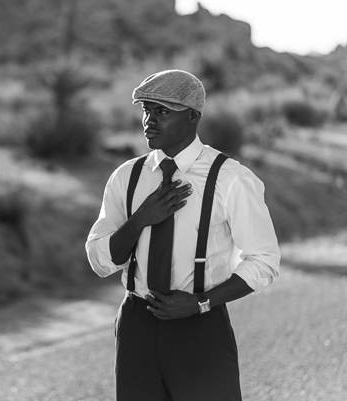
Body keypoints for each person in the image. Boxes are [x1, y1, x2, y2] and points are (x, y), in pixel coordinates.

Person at [85, 69, 280, 401]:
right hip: (136, 327)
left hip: (201, 328)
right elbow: (100, 260)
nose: (149, 120)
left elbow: (264, 261)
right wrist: (140, 220)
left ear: (192, 116)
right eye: (146, 109)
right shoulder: (126, 177)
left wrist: (201, 303)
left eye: (162, 111)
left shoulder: (230, 178)